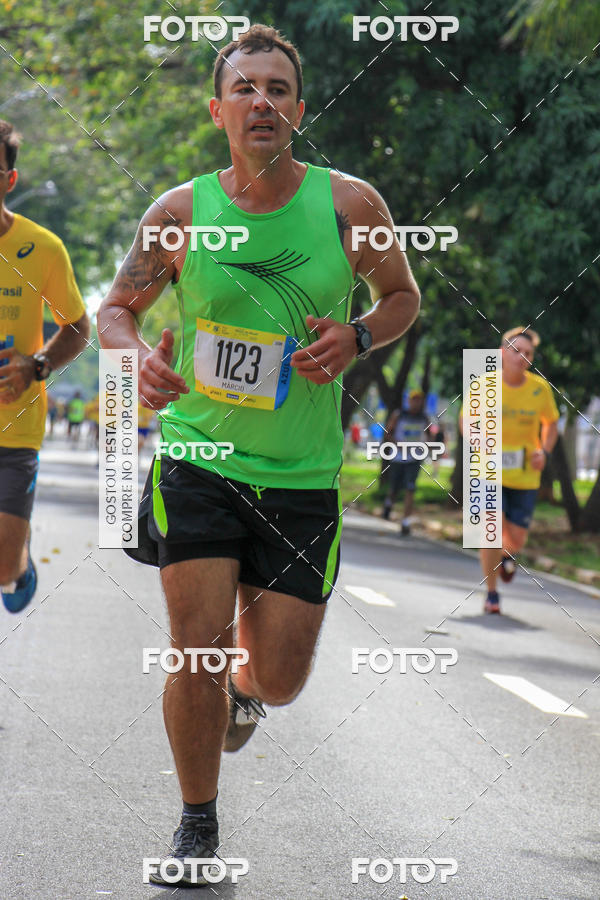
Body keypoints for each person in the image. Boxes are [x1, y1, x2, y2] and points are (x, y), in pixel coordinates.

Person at [98, 24, 420, 887]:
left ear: (300, 111)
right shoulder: (179, 215)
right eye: (246, 89)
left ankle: (247, 693)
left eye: (278, 89)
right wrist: (137, 358)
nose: (262, 102)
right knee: (193, 646)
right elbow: (116, 311)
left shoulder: (352, 207)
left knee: (277, 679)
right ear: (218, 111)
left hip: (303, 477)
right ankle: (196, 826)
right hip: (197, 460)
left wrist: (356, 335)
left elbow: (402, 298)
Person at [0, 120, 90, 612]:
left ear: (9, 180)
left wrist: (36, 364)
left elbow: (78, 326)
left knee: (3, 571)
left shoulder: (43, 248)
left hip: (15, 427)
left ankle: (20, 560)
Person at [466, 327, 559, 614]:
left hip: (525, 476)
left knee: (516, 537)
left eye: (528, 354)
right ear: (501, 354)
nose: (522, 357)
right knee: (490, 530)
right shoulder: (483, 385)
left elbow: (552, 424)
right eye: (516, 351)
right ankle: (492, 594)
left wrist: (544, 450)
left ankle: (507, 555)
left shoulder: (539, 389)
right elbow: (467, 422)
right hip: (488, 473)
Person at [381, 389, 429, 534]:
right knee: (394, 489)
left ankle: (406, 522)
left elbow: (428, 437)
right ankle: (388, 505)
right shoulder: (399, 415)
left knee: (410, 488)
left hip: (414, 459)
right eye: (413, 399)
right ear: (409, 401)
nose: (416, 402)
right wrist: (397, 443)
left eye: (418, 400)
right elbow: (387, 433)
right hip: (398, 457)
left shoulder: (424, 418)